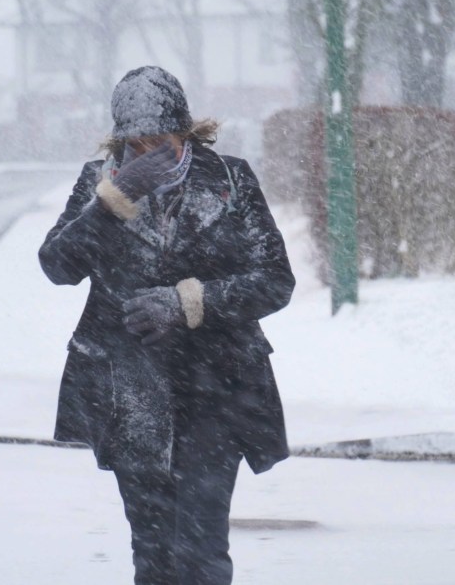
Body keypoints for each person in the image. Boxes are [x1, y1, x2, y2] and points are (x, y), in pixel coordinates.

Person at [38, 66, 295, 585]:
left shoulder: (231, 179)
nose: (150, 153)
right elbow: (58, 266)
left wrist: (188, 304)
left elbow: (274, 280)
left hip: (216, 390)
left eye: (162, 141)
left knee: (201, 550)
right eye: (137, 144)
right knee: (153, 552)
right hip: (130, 392)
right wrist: (111, 203)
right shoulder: (99, 182)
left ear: (186, 131)